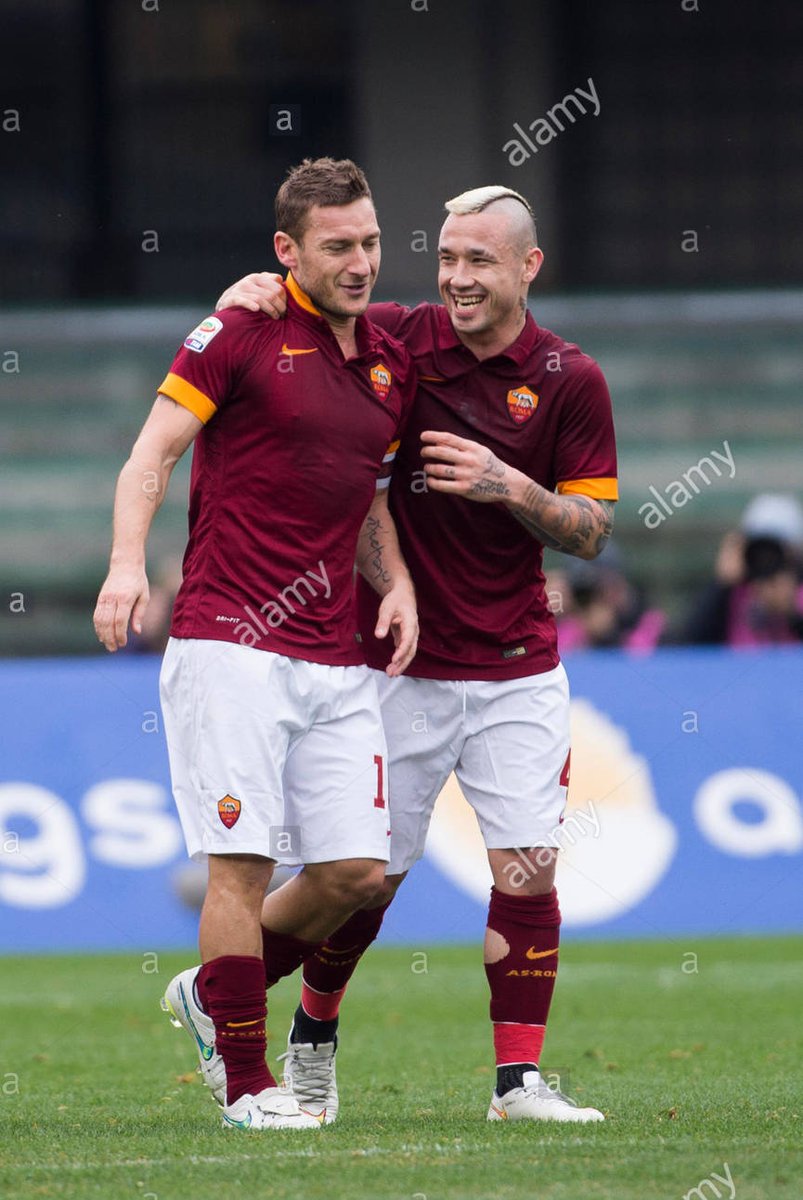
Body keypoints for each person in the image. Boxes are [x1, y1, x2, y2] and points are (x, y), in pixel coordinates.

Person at [214, 183, 617, 1125]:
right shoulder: (395, 341)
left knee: (527, 869)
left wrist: (509, 484)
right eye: (445, 258)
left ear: (528, 267)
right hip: (394, 665)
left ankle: (516, 1085)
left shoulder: (569, 378)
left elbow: (592, 531)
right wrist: (252, 291)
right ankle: (301, 1023)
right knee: (367, 883)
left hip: (518, 662)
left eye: (479, 260)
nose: (457, 278)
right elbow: (296, 307)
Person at [93, 157, 418, 1131]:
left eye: (368, 241)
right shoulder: (235, 330)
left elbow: (360, 492)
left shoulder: (388, 360)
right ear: (286, 251)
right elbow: (150, 454)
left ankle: (210, 992)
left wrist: (393, 581)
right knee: (239, 864)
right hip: (227, 638)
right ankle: (244, 1083)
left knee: (357, 875)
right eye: (337, 247)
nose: (360, 262)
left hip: (334, 654)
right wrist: (124, 563)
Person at [683, 493, 803, 645]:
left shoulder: (798, 593)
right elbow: (691, 642)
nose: (767, 558)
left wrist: (791, 615)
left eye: (776, 548)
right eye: (759, 547)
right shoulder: (733, 590)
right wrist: (721, 585)